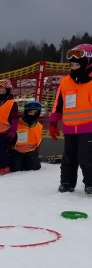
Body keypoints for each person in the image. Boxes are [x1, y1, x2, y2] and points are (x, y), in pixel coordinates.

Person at [49, 44, 92, 194]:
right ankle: (66, 182)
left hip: (88, 128)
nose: (74, 68)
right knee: (68, 158)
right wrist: (54, 121)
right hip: (69, 128)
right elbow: (58, 103)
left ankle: (90, 183)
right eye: (72, 65)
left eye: (77, 64)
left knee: (86, 158)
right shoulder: (65, 82)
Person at [9, 100, 44, 172]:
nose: (32, 114)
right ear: (26, 112)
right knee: (15, 169)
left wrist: (36, 154)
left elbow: (39, 142)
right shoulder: (16, 124)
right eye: (30, 112)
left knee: (34, 167)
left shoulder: (39, 126)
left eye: (35, 112)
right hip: (16, 151)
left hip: (31, 151)